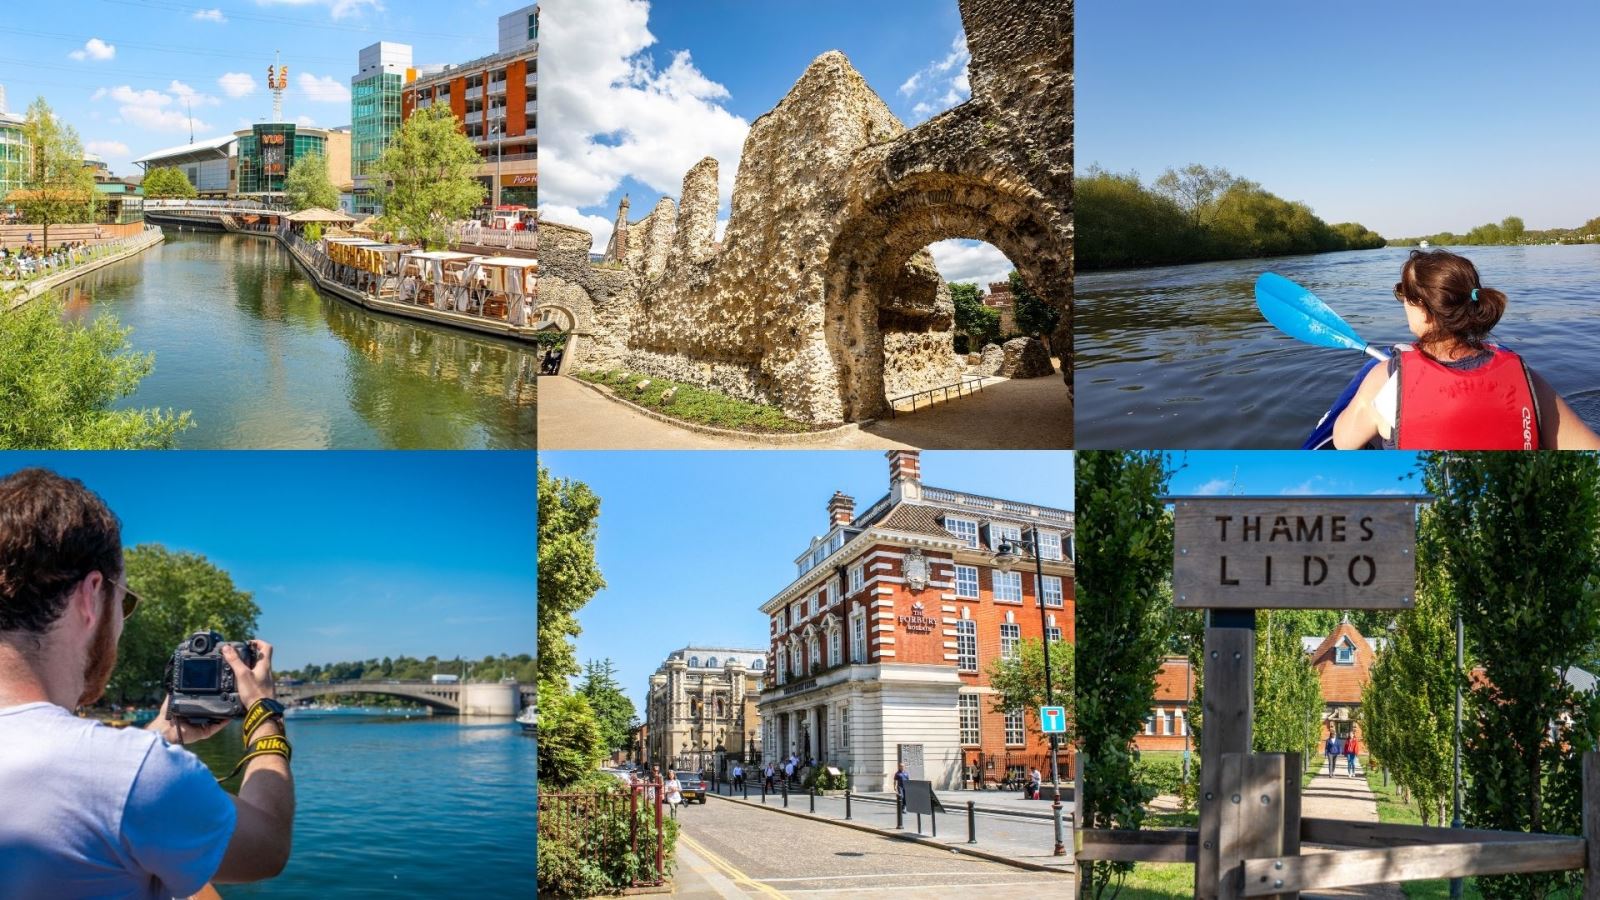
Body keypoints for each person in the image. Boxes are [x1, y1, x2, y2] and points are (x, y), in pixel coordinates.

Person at [0, 468, 295, 898]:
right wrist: (265, 716)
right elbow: (266, 849)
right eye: (126, 602)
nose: (122, 624)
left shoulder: (120, 771)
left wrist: (164, 733)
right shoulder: (132, 774)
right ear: (91, 596)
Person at [1334, 249, 1600, 450]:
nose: (1402, 300)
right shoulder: (1525, 378)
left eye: (1404, 293)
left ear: (1425, 311)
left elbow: (1343, 441)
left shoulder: (1385, 379)